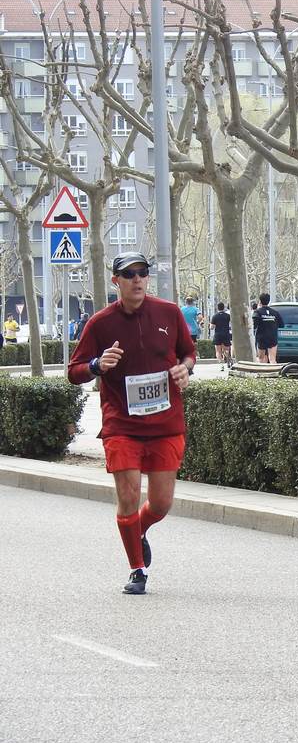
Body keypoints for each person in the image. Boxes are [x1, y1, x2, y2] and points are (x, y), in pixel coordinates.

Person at [66, 252, 197, 595]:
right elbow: (73, 371)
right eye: (129, 275)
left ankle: (137, 530)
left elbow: (189, 352)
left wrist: (186, 368)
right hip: (121, 425)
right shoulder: (100, 323)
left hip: (166, 423)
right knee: (127, 495)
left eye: (142, 273)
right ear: (116, 281)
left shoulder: (168, 313)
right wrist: (96, 365)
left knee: (162, 503)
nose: (137, 279)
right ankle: (137, 569)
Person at [252, 293, 285, 364]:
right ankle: (274, 373)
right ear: (269, 301)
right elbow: (282, 325)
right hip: (272, 337)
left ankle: (262, 373)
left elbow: (254, 325)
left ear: (260, 301)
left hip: (261, 338)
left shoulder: (257, 312)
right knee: (272, 359)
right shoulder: (275, 313)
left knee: (261, 358)